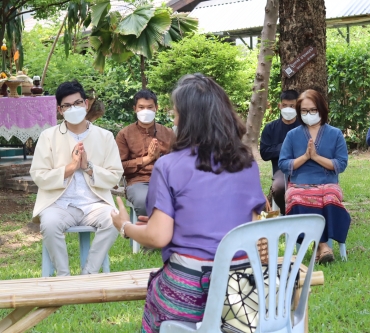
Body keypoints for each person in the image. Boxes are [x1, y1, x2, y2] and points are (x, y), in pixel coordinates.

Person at [110, 74, 266, 333]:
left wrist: (125, 226)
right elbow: (247, 226)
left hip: (188, 288)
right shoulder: (246, 162)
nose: (173, 121)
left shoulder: (168, 165)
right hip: (242, 290)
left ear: (189, 119)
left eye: (176, 115)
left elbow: (159, 237)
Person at [30, 80, 123, 276]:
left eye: (78, 103)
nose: (73, 108)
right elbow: (38, 175)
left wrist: (88, 168)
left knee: (114, 219)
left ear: (86, 104)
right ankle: (64, 277)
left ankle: (88, 275)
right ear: (60, 110)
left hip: (94, 203)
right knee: (50, 223)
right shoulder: (48, 136)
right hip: (60, 203)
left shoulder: (105, 136)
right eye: (67, 105)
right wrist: (70, 168)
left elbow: (115, 174)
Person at [278, 89, 350, 264]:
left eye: (312, 110)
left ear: (321, 109)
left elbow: (341, 164)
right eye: (304, 111)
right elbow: (283, 163)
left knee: (330, 197)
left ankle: (320, 246)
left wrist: (317, 157)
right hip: (299, 182)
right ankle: (324, 246)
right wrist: (305, 157)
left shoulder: (335, 134)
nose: (308, 114)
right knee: (297, 197)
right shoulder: (292, 135)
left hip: (327, 182)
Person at [115, 90, 175, 217]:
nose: (145, 111)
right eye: (141, 107)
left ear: (156, 108)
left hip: (165, 180)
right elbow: (119, 167)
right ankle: (144, 235)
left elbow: (177, 163)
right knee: (144, 201)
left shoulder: (168, 133)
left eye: (149, 107)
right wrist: (147, 159)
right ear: (135, 109)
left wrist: (159, 157)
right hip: (138, 181)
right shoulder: (124, 134)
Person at [260, 90, 301, 214]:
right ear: (280, 106)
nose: (288, 109)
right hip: (280, 169)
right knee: (278, 187)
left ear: (297, 107)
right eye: (285, 105)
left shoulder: (303, 126)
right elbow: (265, 153)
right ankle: (287, 213)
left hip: (303, 167)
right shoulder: (270, 128)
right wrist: (286, 147)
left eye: (292, 106)